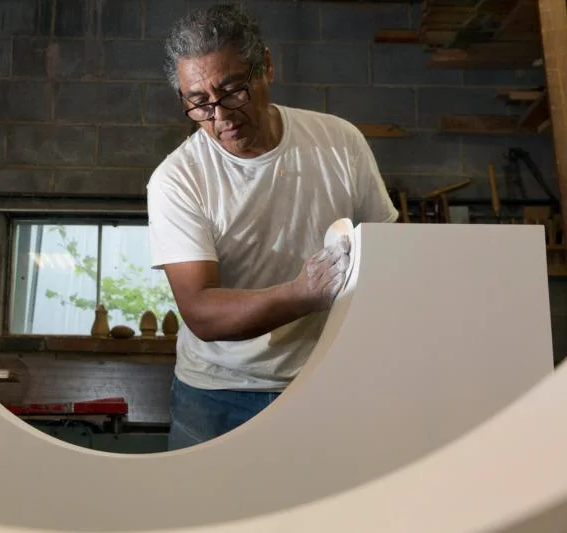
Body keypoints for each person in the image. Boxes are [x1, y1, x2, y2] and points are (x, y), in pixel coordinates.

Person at [146, 3, 399, 451]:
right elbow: (201, 311)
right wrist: (303, 293)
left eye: (233, 91)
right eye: (199, 103)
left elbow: (392, 255)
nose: (220, 116)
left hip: (326, 379)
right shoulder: (177, 179)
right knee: (204, 500)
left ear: (265, 66)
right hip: (217, 392)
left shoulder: (340, 143)